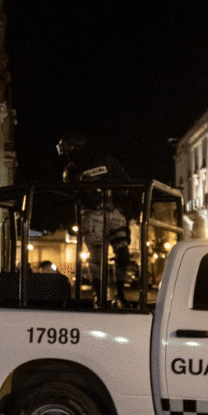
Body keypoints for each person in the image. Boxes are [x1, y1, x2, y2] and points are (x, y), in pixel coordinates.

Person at [57, 131, 134, 306]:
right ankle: (99, 296)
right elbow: (68, 192)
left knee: (123, 254)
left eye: (70, 150)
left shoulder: (106, 161)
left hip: (113, 210)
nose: (68, 155)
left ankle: (120, 295)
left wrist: (124, 203)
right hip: (91, 214)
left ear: (77, 148)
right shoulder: (71, 170)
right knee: (97, 256)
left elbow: (125, 183)